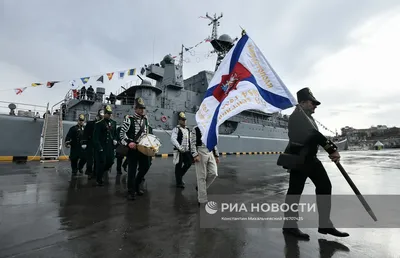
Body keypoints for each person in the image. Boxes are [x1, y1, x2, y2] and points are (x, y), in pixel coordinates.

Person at [280, 87, 349, 239]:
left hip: (311, 159)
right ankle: (290, 226)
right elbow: (313, 135)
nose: (315, 106)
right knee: (294, 193)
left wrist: (329, 149)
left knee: (324, 186)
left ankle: (325, 224)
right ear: (303, 102)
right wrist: (331, 149)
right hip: (299, 161)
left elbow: (315, 136)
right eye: (313, 103)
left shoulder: (307, 117)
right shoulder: (297, 117)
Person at [119, 97, 151, 200]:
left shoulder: (146, 120)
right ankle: (131, 191)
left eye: (143, 108)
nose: (142, 110)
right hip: (132, 149)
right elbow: (121, 134)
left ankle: (136, 185)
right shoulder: (129, 119)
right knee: (131, 171)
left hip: (143, 149)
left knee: (145, 167)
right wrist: (129, 143)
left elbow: (147, 134)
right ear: (135, 108)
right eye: (140, 108)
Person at [190, 125, 219, 206]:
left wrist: (216, 155)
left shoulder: (210, 128)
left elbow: (213, 142)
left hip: (210, 151)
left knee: (214, 173)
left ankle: (200, 189)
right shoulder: (195, 129)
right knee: (201, 176)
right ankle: (202, 200)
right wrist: (195, 154)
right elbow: (192, 143)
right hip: (201, 150)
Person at [93, 105, 118, 186]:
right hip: (102, 146)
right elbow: (95, 137)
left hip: (110, 147)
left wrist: (115, 139)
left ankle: (103, 171)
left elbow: (115, 134)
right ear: (104, 114)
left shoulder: (114, 123)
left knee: (110, 161)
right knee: (101, 163)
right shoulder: (99, 124)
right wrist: (99, 147)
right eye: (108, 113)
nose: (109, 115)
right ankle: (99, 179)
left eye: (110, 113)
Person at [171, 112, 192, 188]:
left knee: (189, 163)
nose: (184, 121)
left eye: (185, 120)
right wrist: (179, 147)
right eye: (182, 120)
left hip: (186, 150)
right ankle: (179, 182)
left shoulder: (187, 130)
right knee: (178, 166)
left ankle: (180, 176)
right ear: (179, 121)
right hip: (179, 151)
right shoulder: (176, 129)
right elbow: (173, 139)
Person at [83, 109, 104, 179]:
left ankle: (95, 173)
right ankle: (89, 171)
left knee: (97, 160)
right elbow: (85, 133)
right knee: (90, 160)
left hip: (98, 144)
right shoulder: (91, 123)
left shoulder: (104, 124)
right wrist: (84, 142)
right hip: (90, 143)